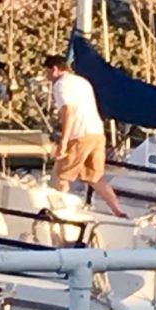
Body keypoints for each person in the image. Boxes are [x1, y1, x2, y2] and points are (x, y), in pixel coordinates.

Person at [45, 53, 125, 219]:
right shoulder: (82, 82)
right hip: (97, 133)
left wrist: (64, 142)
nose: (47, 77)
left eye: (47, 72)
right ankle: (119, 212)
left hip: (80, 135)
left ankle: (57, 216)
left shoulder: (60, 85)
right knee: (94, 177)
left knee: (61, 175)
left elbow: (69, 113)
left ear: (54, 69)